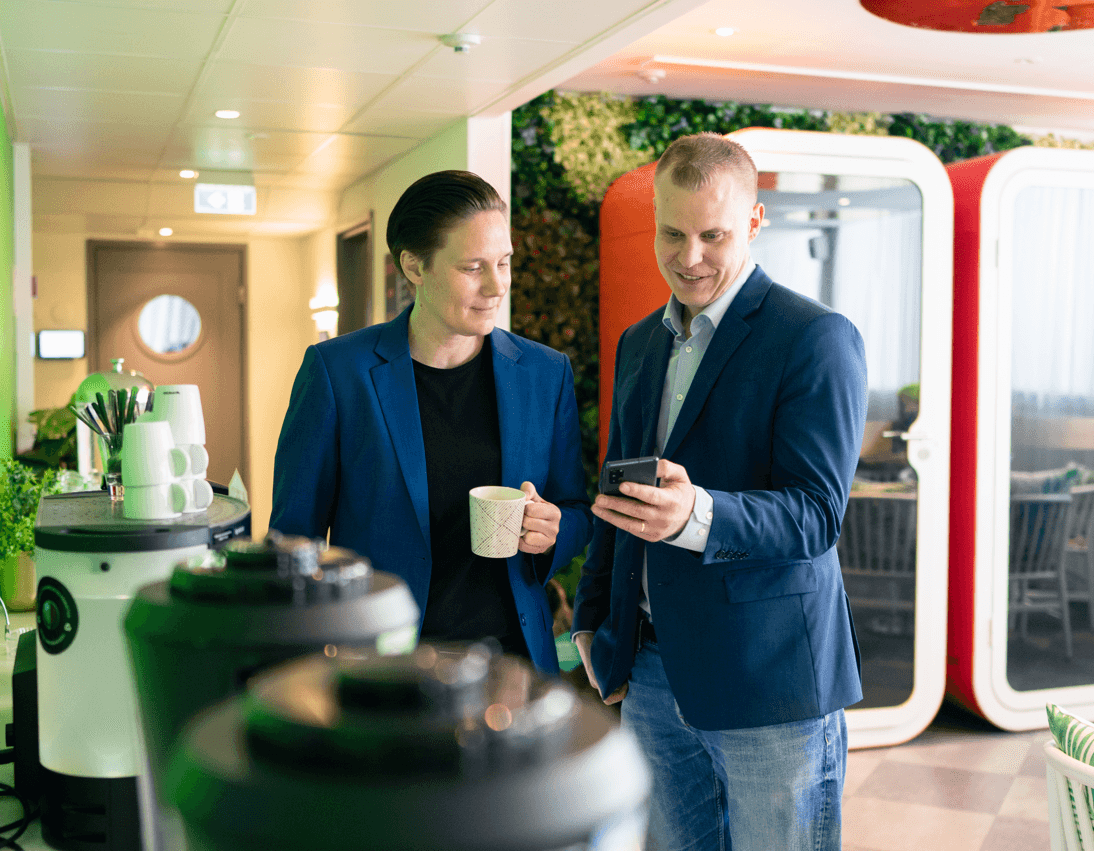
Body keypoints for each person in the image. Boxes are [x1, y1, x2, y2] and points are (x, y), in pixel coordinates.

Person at [572, 133, 866, 850]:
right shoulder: (639, 342)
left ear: (756, 223)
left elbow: (815, 514)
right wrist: (592, 627)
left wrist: (696, 513)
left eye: (713, 234)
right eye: (671, 233)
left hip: (769, 680)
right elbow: (620, 489)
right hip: (648, 671)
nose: (689, 255)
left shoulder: (815, 337)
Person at [270, 169, 591, 675]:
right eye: (473, 267)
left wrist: (554, 530)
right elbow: (293, 542)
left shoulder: (544, 373)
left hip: (513, 661)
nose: (496, 286)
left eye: (505, 263)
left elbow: (574, 508)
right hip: (382, 663)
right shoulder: (338, 373)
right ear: (414, 267)